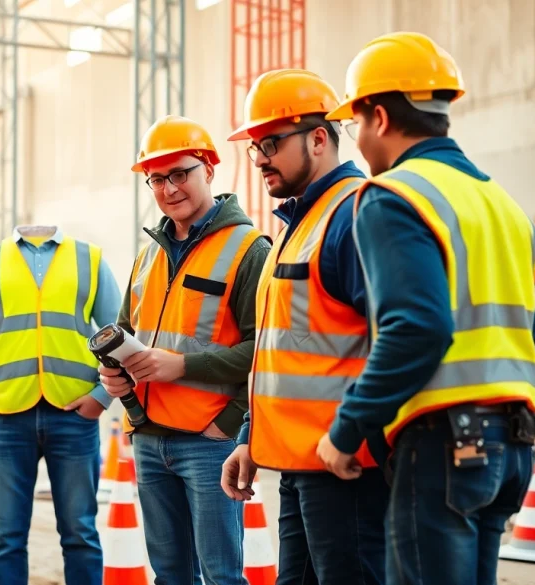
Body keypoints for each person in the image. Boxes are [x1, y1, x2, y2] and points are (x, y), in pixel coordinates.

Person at [322, 32, 535, 585]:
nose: (357, 142)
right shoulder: (505, 207)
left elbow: (416, 329)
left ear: (377, 115)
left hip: (444, 446)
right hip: (513, 445)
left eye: (354, 125)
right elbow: (530, 335)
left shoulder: (393, 196)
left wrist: (347, 430)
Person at [219, 69, 388, 585]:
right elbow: (281, 354)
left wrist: (348, 433)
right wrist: (251, 436)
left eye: (270, 142)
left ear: (318, 138)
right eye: (254, 147)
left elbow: (394, 342)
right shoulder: (297, 226)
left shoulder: (356, 214)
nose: (260, 158)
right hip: (297, 464)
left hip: (345, 467)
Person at [98, 114, 269, 585]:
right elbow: (127, 334)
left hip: (208, 441)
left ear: (209, 170)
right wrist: (115, 377)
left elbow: (265, 352)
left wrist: (226, 422)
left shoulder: (250, 249)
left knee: (221, 575)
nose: (170, 188)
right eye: (157, 178)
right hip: (149, 438)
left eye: (181, 173)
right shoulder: (147, 255)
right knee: (169, 576)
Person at [0, 221, 121, 585]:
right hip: (8, 417)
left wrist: (101, 397)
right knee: (6, 538)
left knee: (81, 535)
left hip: (74, 416)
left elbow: (121, 334)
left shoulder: (88, 257)